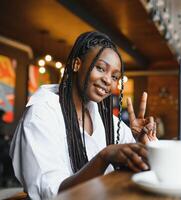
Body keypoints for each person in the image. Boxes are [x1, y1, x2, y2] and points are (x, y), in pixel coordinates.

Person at [9, 31, 157, 200]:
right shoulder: (41, 114)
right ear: (76, 64)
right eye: (100, 68)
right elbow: (54, 194)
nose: (108, 80)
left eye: (115, 76)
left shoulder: (102, 116)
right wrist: (104, 156)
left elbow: (141, 161)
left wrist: (143, 141)